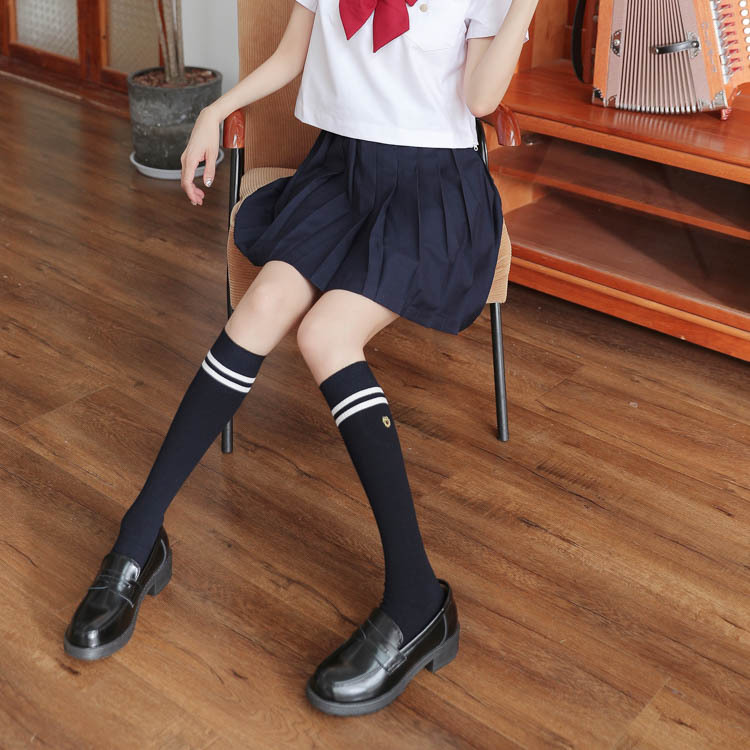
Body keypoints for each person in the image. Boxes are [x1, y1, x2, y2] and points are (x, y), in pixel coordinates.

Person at [64, 0, 538, 717]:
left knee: (325, 336)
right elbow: (293, 57)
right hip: (342, 175)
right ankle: (138, 540)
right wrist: (212, 111)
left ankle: (419, 600)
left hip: (431, 190)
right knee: (258, 310)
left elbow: (478, 99)